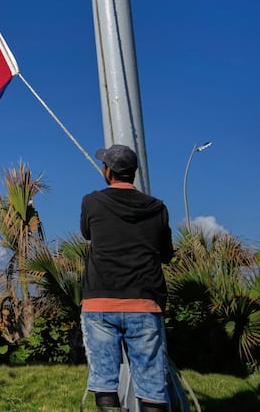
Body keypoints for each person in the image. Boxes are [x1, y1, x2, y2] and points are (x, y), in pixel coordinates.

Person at [80, 144, 173, 412]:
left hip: (100, 303)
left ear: (107, 171)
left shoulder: (92, 201)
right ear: (133, 172)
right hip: (145, 302)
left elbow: (87, 233)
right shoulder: (157, 208)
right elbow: (166, 254)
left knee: (105, 384)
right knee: (153, 386)